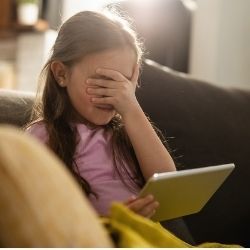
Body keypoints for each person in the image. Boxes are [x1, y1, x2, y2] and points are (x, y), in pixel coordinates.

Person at [25, 10, 176, 219]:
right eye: (102, 81)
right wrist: (113, 223)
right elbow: (38, 216)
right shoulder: (44, 137)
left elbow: (168, 184)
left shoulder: (127, 135)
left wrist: (131, 108)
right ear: (61, 74)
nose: (114, 95)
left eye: (122, 83)